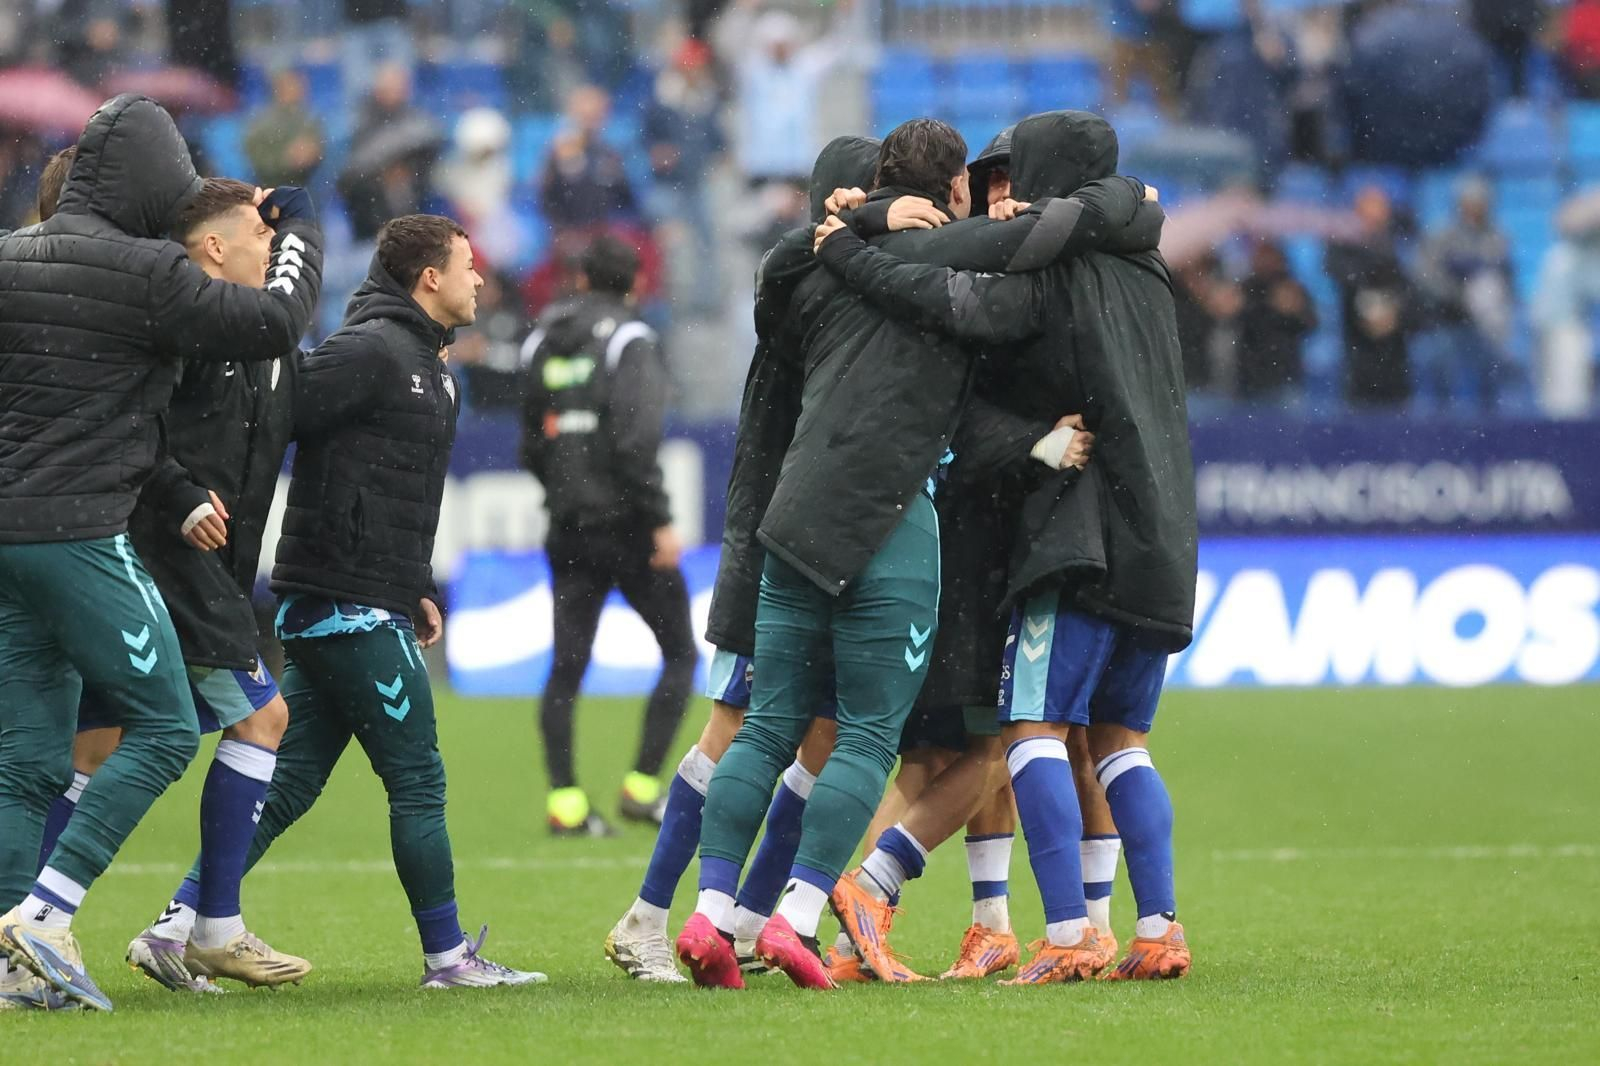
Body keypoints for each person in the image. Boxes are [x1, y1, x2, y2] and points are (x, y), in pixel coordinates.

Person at [676, 117, 1147, 991]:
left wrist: (847, 226)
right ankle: (799, 917)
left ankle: (707, 917)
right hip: (889, 519)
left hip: (793, 514)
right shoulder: (965, 267)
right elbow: (1012, 292)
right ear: (958, 191)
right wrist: (1131, 202)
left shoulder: (811, 264)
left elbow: (770, 282)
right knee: (867, 732)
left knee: (770, 726)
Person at [815, 109, 1196, 983]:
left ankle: (1066, 933)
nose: (1005, 192)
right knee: (1120, 740)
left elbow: (951, 296)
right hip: (1162, 532)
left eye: (1018, 175)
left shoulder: (1049, 266)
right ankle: (1155, 926)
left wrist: (851, 242)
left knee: (1026, 733)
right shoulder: (1147, 266)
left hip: (1076, 532)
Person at [0, 94, 322, 1013]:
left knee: (27, 761)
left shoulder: (9, 256)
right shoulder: (146, 270)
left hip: (7, 541)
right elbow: (274, 322)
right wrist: (303, 229)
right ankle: (48, 917)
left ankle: (9, 963)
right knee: (168, 727)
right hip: (82, 539)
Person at [602, 136, 883, 983]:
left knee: (824, 737)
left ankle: (753, 924)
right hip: (776, 548)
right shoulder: (808, 293)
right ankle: (646, 919)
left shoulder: (842, 294)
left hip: (817, 549)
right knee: (735, 731)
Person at [240, 215, 543, 988]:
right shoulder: (373, 349)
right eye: (468, 267)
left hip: (363, 596)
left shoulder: (427, 364)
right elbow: (280, 413)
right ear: (429, 279)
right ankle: (447, 959)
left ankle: (179, 925)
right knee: (418, 780)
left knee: (289, 784)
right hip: (346, 603)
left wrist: (418, 581)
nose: (482, 281)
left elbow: (391, 486)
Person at [95, 179, 319, 993]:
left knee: (88, 745)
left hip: (197, 572)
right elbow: (126, 429)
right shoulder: (182, 331)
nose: (274, 252)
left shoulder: (266, 344)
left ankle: (34, 922)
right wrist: (180, 494)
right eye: (259, 239)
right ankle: (211, 927)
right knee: (264, 718)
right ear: (216, 248)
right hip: (165, 563)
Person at [521, 235, 695, 837]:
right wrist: (659, 519)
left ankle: (565, 802)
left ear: (579, 279)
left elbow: (532, 443)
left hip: (568, 527)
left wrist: (564, 492)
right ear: (637, 284)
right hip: (627, 529)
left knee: (567, 666)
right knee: (681, 654)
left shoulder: (541, 339)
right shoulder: (630, 340)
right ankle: (643, 789)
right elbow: (635, 443)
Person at [1412, 177, 1513, 412]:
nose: (1475, 208)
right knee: (1443, 375)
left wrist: (1486, 297)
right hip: (1447, 318)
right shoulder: (1442, 236)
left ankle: (1488, 432)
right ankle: (1443, 432)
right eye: (1469, 202)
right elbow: (1425, 275)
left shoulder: (1496, 237)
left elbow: (1502, 277)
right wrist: (1457, 296)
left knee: (1488, 377)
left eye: (1479, 202)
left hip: (1482, 323)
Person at [1325, 186, 1415, 408]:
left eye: (1380, 209)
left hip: (1394, 353)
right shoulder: (1345, 245)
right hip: (1358, 348)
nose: (1375, 216)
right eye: (1368, 210)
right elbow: (1338, 272)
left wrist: (1395, 314)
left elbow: (1415, 293)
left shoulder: (1400, 245)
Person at [539, 85, 639, 233]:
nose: (590, 123)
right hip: (567, 234)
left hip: (604, 234)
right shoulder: (559, 150)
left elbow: (626, 200)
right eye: (586, 117)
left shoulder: (609, 152)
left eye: (596, 116)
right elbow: (546, 198)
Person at [1236, 239, 1317, 405]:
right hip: (1251, 376)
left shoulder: (1293, 287)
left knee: (1289, 427)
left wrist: (1294, 310)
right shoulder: (1248, 287)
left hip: (1286, 375)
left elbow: (1311, 323)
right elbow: (1242, 321)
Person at [244, 67, 326, 190]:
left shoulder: (310, 118)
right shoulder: (260, 123)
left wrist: (313, 153)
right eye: (290, 84)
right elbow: (258, 162)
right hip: (273, 188)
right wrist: (287, 160)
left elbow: (318, 149)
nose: (298, 88)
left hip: (308, 183)